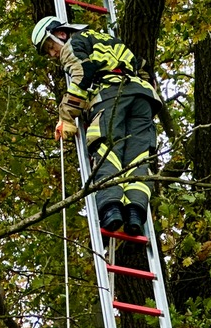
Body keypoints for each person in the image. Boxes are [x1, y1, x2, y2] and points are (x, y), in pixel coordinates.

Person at [31, 16, 160, 237]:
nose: (52, 54)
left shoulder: (73, 43)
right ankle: (135, 214)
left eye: (50, 47)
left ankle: (111, 208)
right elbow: (144, 67)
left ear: (60, 34)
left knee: (106, 148)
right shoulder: (108, 40)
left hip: (111, 96)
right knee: (138, 157)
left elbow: (83, 74)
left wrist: (66, 116)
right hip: (143, 98)